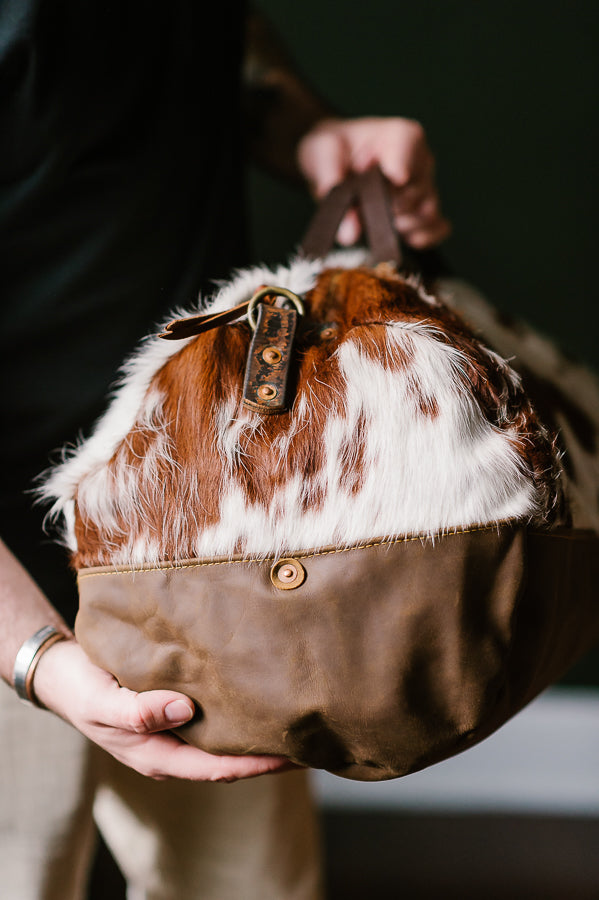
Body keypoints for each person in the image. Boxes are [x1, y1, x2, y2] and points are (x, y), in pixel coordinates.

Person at [0, 4, 450, 898]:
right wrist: (34, 658)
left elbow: (212, 42)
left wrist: (308, 130)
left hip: (227, 551)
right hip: (18, 598)